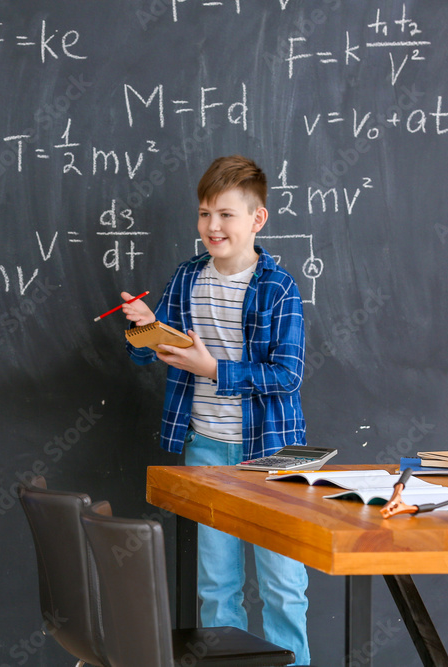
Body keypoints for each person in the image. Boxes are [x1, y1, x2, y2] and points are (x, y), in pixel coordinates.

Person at [122, 155, 311, 664]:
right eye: (205, 213)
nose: (213, 226)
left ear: (257, 218)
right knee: (217, 586)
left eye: (226, 214)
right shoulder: (187, 279)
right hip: (205, 449)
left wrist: (214, 370)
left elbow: (287, 376)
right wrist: (143, 326)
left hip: (274, 455)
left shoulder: (278, 288)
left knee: (283, 586)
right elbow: (149, 351)